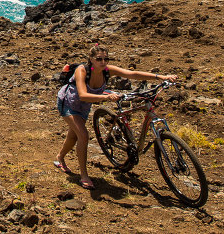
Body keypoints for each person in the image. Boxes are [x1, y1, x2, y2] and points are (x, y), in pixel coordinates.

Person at [55, 44, 177, 189]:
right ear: (91, 59)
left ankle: (60, 158)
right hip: (69, 103)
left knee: (74, 136)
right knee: (83, 135)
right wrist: (106, 97)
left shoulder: (107, 71)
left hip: (85, 106)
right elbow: (82, 94)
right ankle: (84, 176)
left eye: (106, 59)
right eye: (99, 59)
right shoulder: (82, 70)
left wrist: (160, 77)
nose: (103, 62)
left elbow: (132, 74)